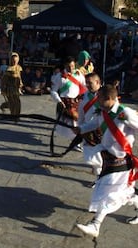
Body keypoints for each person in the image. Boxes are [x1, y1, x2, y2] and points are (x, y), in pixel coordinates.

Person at [74, 84, 138, 237]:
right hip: (108, 159)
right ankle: (136, 200)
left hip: (122, 161)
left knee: (108, 194)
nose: (97, 100)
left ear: (109, 98)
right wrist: (81, 129)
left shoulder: (125, 113)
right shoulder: (104, 112)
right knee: (115, 193)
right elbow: (94, 124)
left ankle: (95, 225)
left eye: (100, 98)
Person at [50, 56, 87, 151]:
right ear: (65, 65)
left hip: (78, 102)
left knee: (79, 122)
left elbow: (85, 86)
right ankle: (75, 141)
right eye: (68, 66)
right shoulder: (59, 77)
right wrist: (59, 101)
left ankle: (77, 140)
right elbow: (53, 91)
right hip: (66, 103)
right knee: (72, 123)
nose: (71, 68)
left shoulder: (79, 75)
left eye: (73, 66)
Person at [77, 72, 103, 180]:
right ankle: (99, 175)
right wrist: (80, 128)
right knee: (92, 155)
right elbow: (81, 114)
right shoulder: (85, 97)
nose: (87, 84)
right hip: (89, 131)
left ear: (97, 82)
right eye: (86, 82)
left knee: (102, 156)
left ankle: (101, 177)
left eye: (90, 82)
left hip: (103, 130)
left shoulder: (106, 95)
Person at [0, 52, 23, 121]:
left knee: (17, 102)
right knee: (12, 103)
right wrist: (3, 89)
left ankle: (17, 115)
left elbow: (19, 77)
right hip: (9, 88)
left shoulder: (19, 68)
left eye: (16, 60)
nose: (14, 61)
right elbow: (4, 80)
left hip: (16, 88)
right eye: (13, 60)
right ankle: (13, 116)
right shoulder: (9, 69)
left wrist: (20, 84)